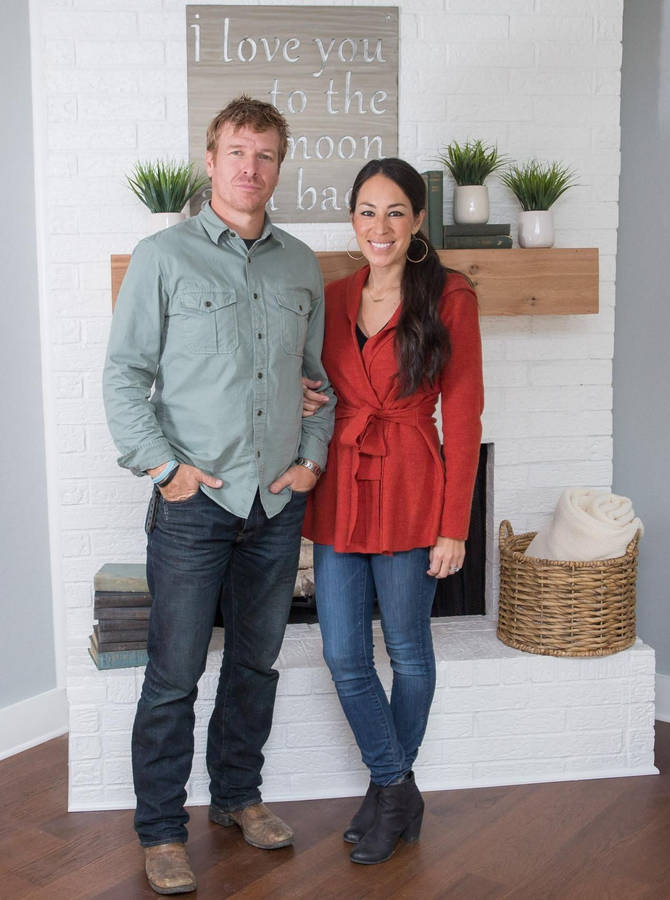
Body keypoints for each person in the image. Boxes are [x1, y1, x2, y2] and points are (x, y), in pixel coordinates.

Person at [102, 95, 335, 895]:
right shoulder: (162, 256)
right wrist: (162, 468)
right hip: (194, 504)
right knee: (172, 674)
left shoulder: (300, 264)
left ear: (279, 166)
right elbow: (125, 375)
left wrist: (310, 458)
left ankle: (237, 796)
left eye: (265, 155)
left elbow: (318, 382)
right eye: (237, 151)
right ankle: (162, 831)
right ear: (210, 161)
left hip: (275, 505)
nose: (250, 168)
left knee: (256, 665)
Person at [302, 158, 483, 865]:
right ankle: (396, 786)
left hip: (413, 484)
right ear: (352, 220)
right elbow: (312, 381)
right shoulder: (332, 294)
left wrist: (454, 525)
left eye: (395, 212)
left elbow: (463, 415)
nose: (380, 227)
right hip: (342, 484)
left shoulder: (449, 296)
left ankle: (386, 795)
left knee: (407, 650)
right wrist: (303, 396)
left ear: (416, 223)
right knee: (343, 653)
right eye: (367, 212)